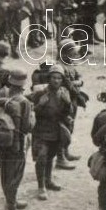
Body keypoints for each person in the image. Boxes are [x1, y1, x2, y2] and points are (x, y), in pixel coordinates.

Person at [0, 69, 35, 210]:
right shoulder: (23, 101)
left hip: (3, 141)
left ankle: (11, 201)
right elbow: (27, 127)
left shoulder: (3, 95)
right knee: (15, 175)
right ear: (23, 83)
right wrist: (33, 116)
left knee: (5, 172)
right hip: (17, 144)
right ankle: (11, 209)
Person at [29, 64, 72, 200]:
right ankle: (41, 186)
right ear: (49, 78)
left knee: (50, 157)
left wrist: (68, 104)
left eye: (59, 78)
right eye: (53, 77)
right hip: (41, 130)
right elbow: (31, 112)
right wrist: (40, 104)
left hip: (56, 129)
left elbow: (66, 113)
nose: (56, 81)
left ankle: (48, 180)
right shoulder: (40, 92)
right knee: (41, 157)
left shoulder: (64, 92)